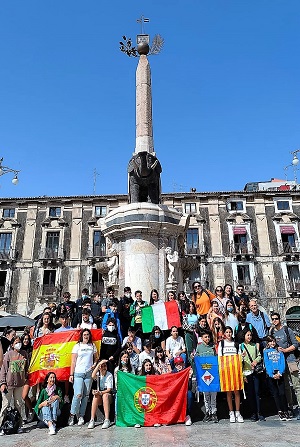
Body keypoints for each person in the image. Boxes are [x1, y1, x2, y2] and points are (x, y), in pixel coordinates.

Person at [269, 312, 300, 419]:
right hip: (280, 362)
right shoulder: (272, 331)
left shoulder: (287, 330)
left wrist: (286, 350)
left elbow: (296, 344)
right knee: (286, 386)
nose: (274, 321)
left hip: (290, 360)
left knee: (296, 385)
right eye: (273, 319)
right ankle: (290, 407)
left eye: (276, 319)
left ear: (280, 319)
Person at [68, 329, 98, 426]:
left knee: (85, 396)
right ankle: (72, 415)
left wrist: (94, 364)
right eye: (84, 334)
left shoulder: (92, 346)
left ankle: (81, 415)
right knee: (78, 394)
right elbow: (73, 361)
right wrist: (71, 374)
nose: (86, 336)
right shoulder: (77, 346)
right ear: (81, 336)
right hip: (78, 373)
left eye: (87, 334)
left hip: (88, 373)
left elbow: (96, 357)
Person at [0, 335, 29, 434]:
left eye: (19, 342)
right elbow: (3, 370)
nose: (18, 344)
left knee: (19, 405)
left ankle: (19, 425)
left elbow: (27, 368)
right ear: (12, 345)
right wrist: (2, 383)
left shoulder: (24, 354)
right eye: (16, 342)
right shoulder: (8, 355)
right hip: (8, 384)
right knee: (5, 405)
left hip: (19, 384)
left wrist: (26, 377)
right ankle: (1, 425)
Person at [217, 326, 243, 423]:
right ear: (224, 334)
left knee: (237, 392)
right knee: (228, 392)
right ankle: (231, 412)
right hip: (226, 371)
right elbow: (220, 357)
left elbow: (239, 357)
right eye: (227, 332)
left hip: (235, 371)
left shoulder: (236, 344)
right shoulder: (221, 344)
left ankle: (238, 412)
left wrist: (242, 357)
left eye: (230, 332)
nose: (228, 334)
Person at [193, 331, 218, 422]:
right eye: (205, 337)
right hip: (203, 375)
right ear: (202, 338)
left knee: (213, 394)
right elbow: (196, 359)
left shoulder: (212, 347)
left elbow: (216, 360)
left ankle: (214, 413)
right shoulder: (199, 347)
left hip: (213, 374)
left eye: (208, 337)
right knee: (206, 394)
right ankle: (208, 412)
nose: (207, 338)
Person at [240, 329, 265, 421]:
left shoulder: (254, 346)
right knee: (250, 393)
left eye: (250, 335)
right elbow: (239, 361)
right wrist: (243, 375)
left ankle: (259, 412)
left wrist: (255, 361)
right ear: (244, 336)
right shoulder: (240, 346)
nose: (249, 337)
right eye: (247, 335)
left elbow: (259, 355)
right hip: (246, 373)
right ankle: (253, 413)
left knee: (257, 392)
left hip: (255, 371)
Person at [264, 335, 290, 421]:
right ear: (268, 343)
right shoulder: (266, 351)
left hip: (280, 373)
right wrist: (272, 374)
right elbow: (267, 363)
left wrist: (280, 372)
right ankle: (280, 411)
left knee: (282, 393)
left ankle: (286, 410)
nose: (272, 343)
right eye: (270, 341)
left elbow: (282, 362)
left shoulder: (279, 350)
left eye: (273, 341)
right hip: (272, 374)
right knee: (275, 394)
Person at [88, 359, 113, 430]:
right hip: (100, 397)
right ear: (99, 367)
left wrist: (101, 392)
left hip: (108, 396)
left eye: (105, 366)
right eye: (102, 366)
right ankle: (92, 420)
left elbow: (109, 389)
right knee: (95, 395)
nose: (104, 367)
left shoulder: (109, 375)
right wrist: (99, 364)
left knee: (105, 395)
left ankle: (107, 419)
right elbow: (92, 376)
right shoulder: (98, 374)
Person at [171, 356, 193, 426]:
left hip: (185, 392)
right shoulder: (173, 373)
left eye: (181, 363)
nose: (179, 365)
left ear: (183, 364)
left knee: (189, 394)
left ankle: (187, 415)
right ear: (175, 365)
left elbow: (190, 387)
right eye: (177, 364)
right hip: (176, 393)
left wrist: (189, 378)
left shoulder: (187, 372)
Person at [20, 332, 35, 422]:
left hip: (28, 375)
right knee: (19, 399)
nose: (26, 341)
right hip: (19, 376)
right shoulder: (18, 351)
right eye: (24, 339)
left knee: (24, 396)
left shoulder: (31, 350)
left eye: (27, 339)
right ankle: (22, 416)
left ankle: (30, 411)